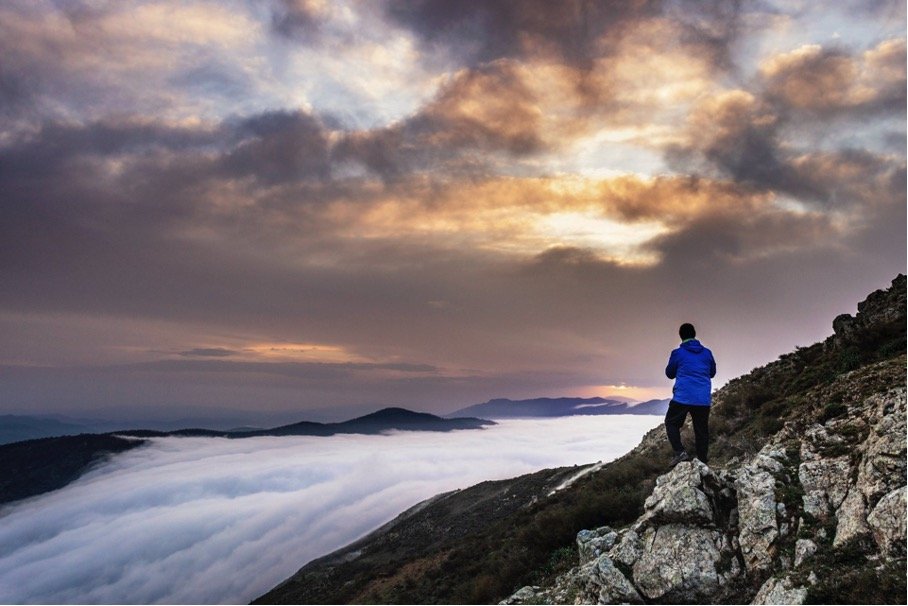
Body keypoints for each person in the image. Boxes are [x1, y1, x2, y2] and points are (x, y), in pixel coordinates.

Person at [664, 323, 716, 466]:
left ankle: (680, 452)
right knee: (701, 430)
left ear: (681, 336)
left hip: (683, 397)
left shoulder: (677, 353)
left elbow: (669, 374)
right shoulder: (707, 353)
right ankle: (703, 462)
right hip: (702, 399)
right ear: (694, 334)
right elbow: (712, 373)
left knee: (671, 423)